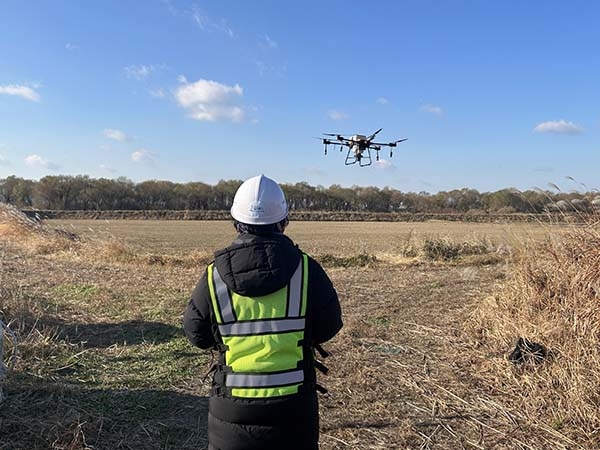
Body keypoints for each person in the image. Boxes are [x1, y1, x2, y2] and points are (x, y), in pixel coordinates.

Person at [183, 174, 343, 450]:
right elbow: (330, 324)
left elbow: (196, 333)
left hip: (231, 413)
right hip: (294, 411)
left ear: (236, 222)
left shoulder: (214, 275)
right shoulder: (306, 270)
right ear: (284, 221)